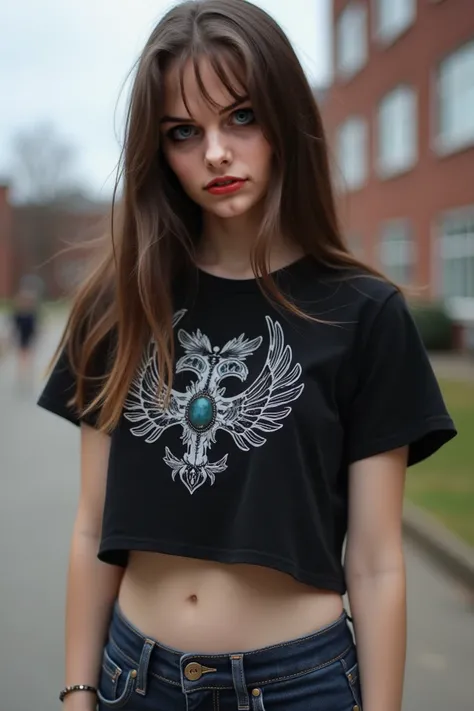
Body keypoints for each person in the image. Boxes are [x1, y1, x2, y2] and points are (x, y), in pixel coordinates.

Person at [37, 2, 457, 710]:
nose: (216, 153)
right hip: (133, 680)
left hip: (302, 685)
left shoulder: (366, 314)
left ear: (286, 119)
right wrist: (78, 690)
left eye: (240, 117)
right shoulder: (121, 305)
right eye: (183, 131)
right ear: (157, 148)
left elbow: (379, 561)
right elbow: (90, 521)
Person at [10, 287, 40, 391]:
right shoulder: (18, 314)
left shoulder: (32, 314)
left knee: (28, 360)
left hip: (29, 339)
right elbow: (15, 328)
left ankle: (28, 378)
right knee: (22, 360)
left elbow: (36, 328)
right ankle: (22, 377)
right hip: (22, 339)